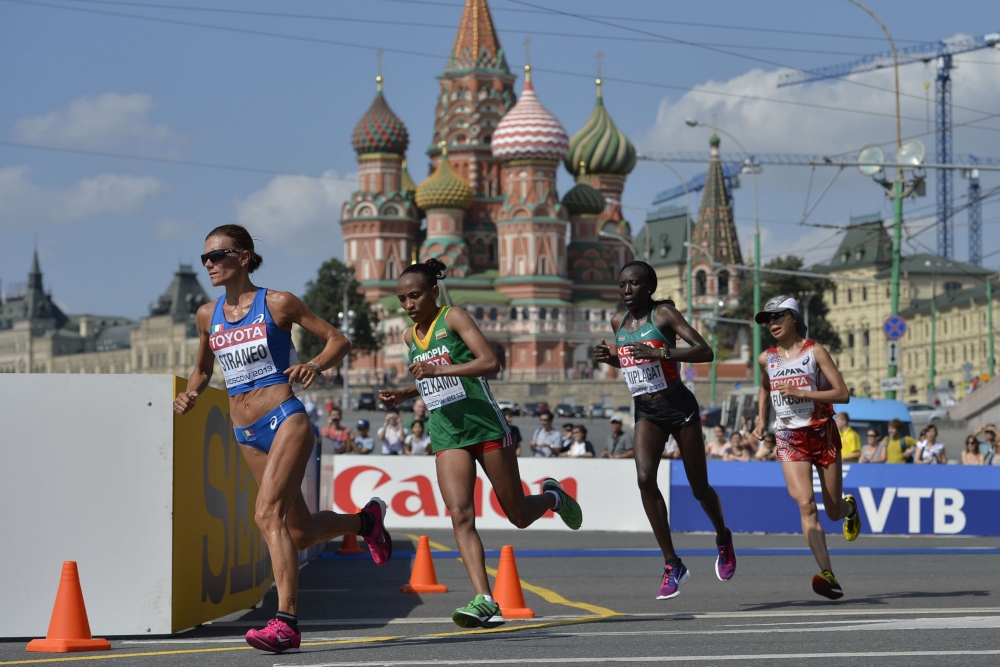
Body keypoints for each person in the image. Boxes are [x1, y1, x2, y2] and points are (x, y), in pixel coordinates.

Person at [172, 224, 391, 654]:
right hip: (246, 433)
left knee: (266, 516)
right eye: (205, 259)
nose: (209, 265)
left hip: (284, 418)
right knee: (302, 531)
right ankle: (365, 523)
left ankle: (286, 622)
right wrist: (191, 394)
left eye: (216, 256)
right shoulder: (206, 314)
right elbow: (202, 368)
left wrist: (315, 364)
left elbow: (338, 340)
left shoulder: (278, 302)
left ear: (243, 256)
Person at [379, 258, 582, 629]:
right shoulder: (410, 337)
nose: (408, 305)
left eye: (414, 296)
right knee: (460, 513)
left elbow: (489, 363)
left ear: (433, 292)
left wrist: (438, 369)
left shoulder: (453, 317)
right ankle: (485, 599)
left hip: (486, 428)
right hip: (446, 434)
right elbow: (430, 380)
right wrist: (404, 394)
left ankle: (553, 496)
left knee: (517, 515)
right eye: (402, 299)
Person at [594, 261, 736, 600]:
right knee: (644, 478)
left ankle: (722, 536)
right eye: (622, 285)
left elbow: (706, 351)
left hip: (680, 408)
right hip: (646, 409)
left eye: (634, 284)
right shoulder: (619, 322)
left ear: (649, 287)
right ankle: (673, 564)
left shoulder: (665, 315)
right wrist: (609, 358)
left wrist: (663, 351)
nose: (626, 291)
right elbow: (630, 361)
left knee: (699, 488)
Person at [750, 294, 860, 601]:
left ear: (794, 319)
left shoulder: (815, 351)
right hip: (788, 437)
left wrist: (800, 391)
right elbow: (764, 385)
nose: (771, 324)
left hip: (822, 432)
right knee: (806, 505)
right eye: (767, 320)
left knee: (834, 510)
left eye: (777, 317)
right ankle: (828, 573)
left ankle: (850, 508)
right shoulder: (766, 358)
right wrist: (761, 419)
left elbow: (842, 394)